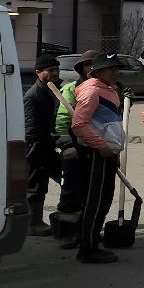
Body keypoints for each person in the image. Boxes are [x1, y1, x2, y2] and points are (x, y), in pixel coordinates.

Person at [68, 54, 130, 264]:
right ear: (98, 71)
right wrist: (102, 146)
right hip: (96, 155)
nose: (115, 71)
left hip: (107, 154)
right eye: (110, 68)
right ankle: (87, 248)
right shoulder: (92, 91)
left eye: (117, 68)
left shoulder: (110, 90)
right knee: (94, 201)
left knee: (104, 199)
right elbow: (79, 125)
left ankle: (92, 239)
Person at [50, 53, 93, 244]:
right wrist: (67, 145)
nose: (92, 69)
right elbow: (61, 122)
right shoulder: (71, 89)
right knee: (71, 192)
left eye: (95, 65)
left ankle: (85, 230)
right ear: (81, 68)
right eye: (88, 65)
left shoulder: (108, 89)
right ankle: (66, 233)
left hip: (95, 149)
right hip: (74, 150)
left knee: (90, 191)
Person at [22, 55, 62, 236]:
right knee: (36, 186)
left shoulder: (54, 89)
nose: (54, 73)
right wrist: (36, 148)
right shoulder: (33, 95)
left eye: (56, 69)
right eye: (50, 70)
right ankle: (33, 223)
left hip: (50, 145)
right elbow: (31, 127)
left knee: (65, 178)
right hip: (37, 148)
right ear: (39, 73)